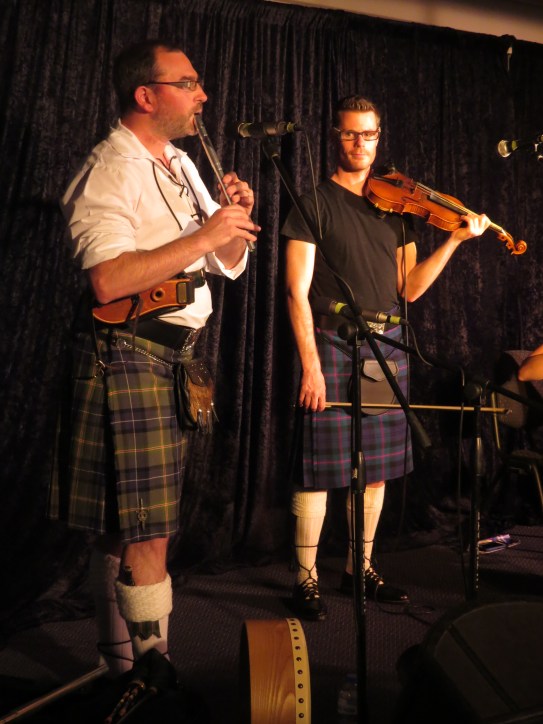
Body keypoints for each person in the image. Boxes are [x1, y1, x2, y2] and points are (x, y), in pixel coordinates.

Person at [49, 39, 259, 676]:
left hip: (174, 358)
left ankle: (123, 667)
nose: (203, 95)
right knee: (148, 530)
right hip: (128, 352)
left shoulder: (181, 162)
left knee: (130, 524)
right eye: (188, 83)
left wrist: (232, 222)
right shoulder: (110, 167)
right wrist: (205, 233)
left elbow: (225, 262)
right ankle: (151, 674)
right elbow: (108, 280)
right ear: (146, 95)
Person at [282, 95, 490, 621]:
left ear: (379, 138)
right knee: (318, 471)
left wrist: (454, 241)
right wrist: (310, 366)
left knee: (373, 472)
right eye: (351, 133)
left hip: (384, 346)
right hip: (332, 342)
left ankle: (361, 569)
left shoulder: (396, 208)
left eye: (369, 134)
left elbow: (409, 289)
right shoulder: (312, 203)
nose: (360, 143)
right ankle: (305, 580)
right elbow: (295, 291)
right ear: (336, 135)